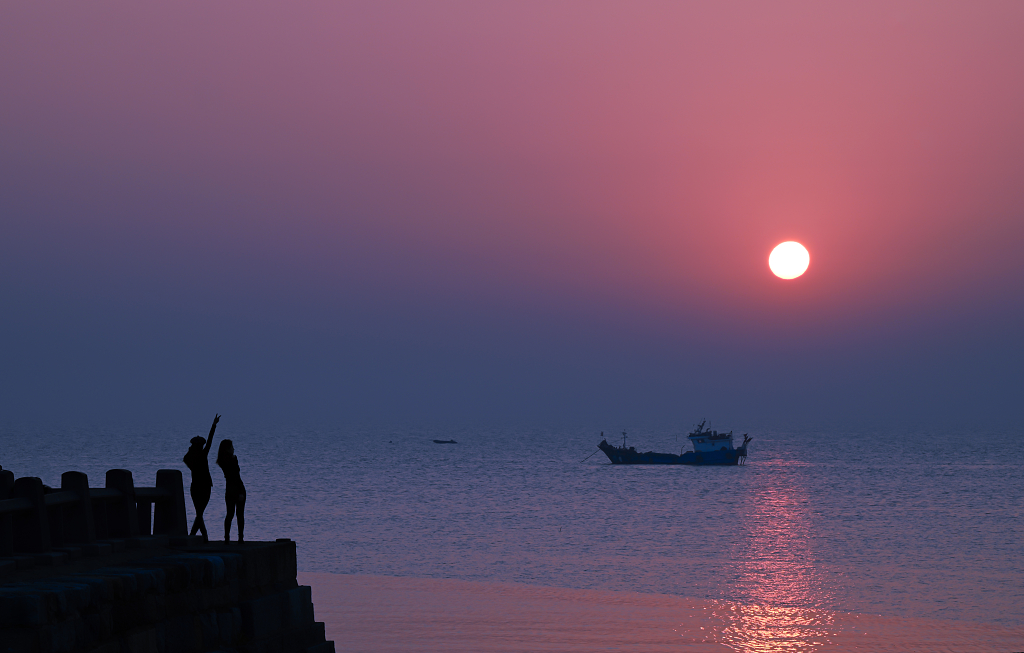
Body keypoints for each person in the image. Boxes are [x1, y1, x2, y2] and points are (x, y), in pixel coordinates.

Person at [183, 414, 219, 541]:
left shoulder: (190, 458)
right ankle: (201, 537)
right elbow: (210, 441)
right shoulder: (203, 455)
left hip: (195, 487)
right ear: (201, 446)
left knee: (199, 513)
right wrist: (214, 425)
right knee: (199, 513)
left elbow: (185, 459)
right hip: (205, 487)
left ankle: (198, 537)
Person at [216, 438, 246, 542]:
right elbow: (236, 477)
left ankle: (227, 538)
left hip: (229, 489)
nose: (234, 449)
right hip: (237, 488)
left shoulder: (222, 461)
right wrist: (241, 492)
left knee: (229, 514)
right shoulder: (232, 460)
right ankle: (240, 538)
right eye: (232, 447)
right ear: (227, 449)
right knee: (240, 514)